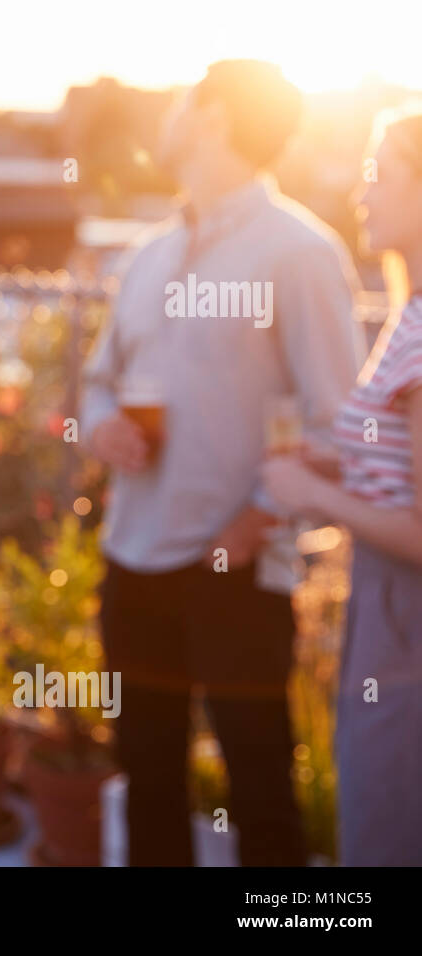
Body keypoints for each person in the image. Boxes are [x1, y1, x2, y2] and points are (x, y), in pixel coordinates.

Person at [81, 60, 364, 865]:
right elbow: (99, 382)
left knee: (262, 791)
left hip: (237, 567)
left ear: (209, 116)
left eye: (179, 102)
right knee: (147, 781)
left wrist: (260, 519)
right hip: (131, 558)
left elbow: (340, 424)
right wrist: (102, 428)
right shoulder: (147, 254)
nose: (166, 116)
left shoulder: (301, 251)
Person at [263, 106, 422, 866]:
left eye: (378, 175)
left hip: (406, 617)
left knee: (386, 823)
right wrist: (339, 466)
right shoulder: (406, 314)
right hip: (386, 610)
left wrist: (313, 495)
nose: (360, 194)